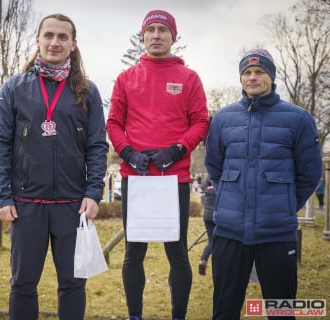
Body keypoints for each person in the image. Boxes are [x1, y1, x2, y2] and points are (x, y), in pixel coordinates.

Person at [0, 13, 108, 320]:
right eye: (49, 35)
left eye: (62, 37)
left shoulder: (87, 91)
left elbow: (97, 146)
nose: (55, 42)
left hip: (73, 207)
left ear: (73, 44)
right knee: (23, 284)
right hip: (25, 205)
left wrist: (94, 193)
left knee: (73, 285)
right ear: (38, 40)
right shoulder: (14, 88)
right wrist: (2, 196)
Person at [204, 49, 322, 320]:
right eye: (247, 72)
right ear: (241, 78)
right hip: (230, 232)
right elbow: (214, 166)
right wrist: (231, 199)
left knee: (281, 311)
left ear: (272, 77)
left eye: (260, 72)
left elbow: (309, 173)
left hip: (277, 234)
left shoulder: (298, 119)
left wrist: (285, 205)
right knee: (224, 310)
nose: (253, 77)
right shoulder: (223, 119)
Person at [106, 9, 209, 320]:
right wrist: (127, 153)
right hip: (136, 178)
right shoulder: (126, 79)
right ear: (143, 36)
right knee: (133, 252)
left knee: (176, 252)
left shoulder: (189, 78)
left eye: (163, 30)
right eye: (150, 30)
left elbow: (201, 121)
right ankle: (135, 315)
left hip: (173, 179)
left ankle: (179, 314)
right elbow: (113, 123)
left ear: (173, 37)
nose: (156, 35)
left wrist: (177, 150)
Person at [198, 176, 215, 276]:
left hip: (207, 217)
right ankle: (205, 260)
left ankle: (204, 260)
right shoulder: (219, 188)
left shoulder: (207, 189)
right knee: (216, 242)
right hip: (217, 217)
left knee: (211, 241)